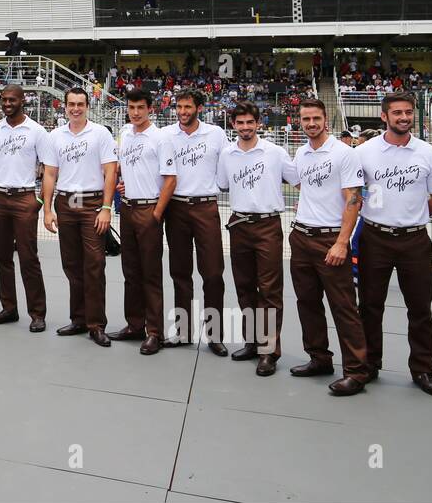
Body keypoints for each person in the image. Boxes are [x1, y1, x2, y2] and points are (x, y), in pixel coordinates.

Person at [355, 92, 432, 396]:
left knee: (420, 307)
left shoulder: (430, 154)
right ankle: (368, 364)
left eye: (408, 112)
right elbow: (353, 193)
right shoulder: (364, 152)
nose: (403, 117)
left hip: (414, 240)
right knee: (369, 305)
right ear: (384, 116)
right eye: (397, 113)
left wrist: (412, 215)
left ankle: (422, 369)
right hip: (374, 237)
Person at [288, 98, 367, 395]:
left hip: (330, 238)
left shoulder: (344, 153)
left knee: (343, 306)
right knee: (307, 303)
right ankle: (319, 358)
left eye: (316, 118)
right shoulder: (301, 152)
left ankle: (357, 371)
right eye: (306, 119)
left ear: (326, 120)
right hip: (302, 236)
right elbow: (303, 186)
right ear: (300, 121)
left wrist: (342, 242)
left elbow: (353, 199)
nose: (311, 124)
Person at [216, 102, 297, 375]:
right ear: (234, 124)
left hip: (267, 225)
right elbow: (223, 184)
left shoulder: (275, 152)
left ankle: (269, 351)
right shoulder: (227, 154)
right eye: (240, 123)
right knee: (245, 287)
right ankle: (251, 342)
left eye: (250, 122)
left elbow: (298, 181)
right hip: (239, 224)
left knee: (270, 290)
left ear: (258, 123)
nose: (246, 127)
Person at [41, 87, 118, 347]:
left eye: (80, 104)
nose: (76, 108)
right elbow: (50, 174)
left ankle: (96, 324)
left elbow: (110, 172)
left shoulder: (100, 134)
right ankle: (79, 319)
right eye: (71, 104)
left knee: (94, 264)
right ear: (65, 106)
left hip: (92, 203)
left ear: (87, 105)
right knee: (71, 263)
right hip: (65, 203)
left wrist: (107, 208)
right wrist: (47, 209)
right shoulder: (55, 136)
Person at [160, 90, 228, 353]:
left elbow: (226, 169)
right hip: (176, 208)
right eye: (179, 106)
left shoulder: (215, 134)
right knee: (180, 272)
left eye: (188, 106)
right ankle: (183, 331)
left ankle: (215, 335)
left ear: (199, 107)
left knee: (212, 273)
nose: (183, 111)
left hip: (205, 207)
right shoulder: (166, 135)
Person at [111, 88, 176, 354]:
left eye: (140, 107)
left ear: (150, 108)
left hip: (149, 209)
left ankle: (154, 332)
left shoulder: (160, 138)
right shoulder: (125, 134)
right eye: (131, 107)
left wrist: (157, 213)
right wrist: (124, 184)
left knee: (150, 274)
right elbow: (122, 168)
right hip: (127, 209)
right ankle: (134, 325)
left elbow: (171, 179)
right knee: (130, 272)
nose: (135, 113)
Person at [0, 84, 49, 331]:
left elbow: (50, 168)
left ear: (22, 101)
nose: (7, 103)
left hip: (24, 199)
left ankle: (37, 313)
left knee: (29, 259)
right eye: (4, 100)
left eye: (12, 100)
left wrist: (40, 201)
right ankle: (9, 308)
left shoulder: (36, 131)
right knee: (2, 257)